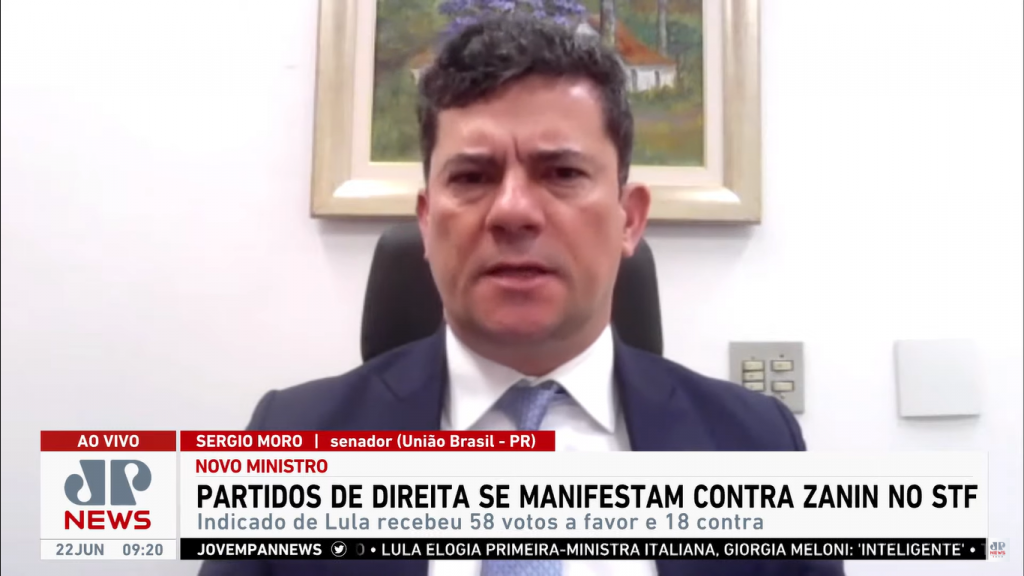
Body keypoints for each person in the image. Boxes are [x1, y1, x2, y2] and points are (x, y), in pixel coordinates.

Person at [199, 14, 843, 576]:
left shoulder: (757, 446)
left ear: (629, 220)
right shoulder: (293, 441)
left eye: (561, 172)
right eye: (472, 177)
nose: (512, 211)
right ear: (426, 221)